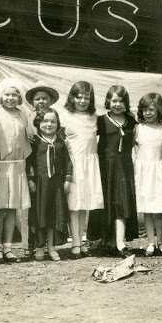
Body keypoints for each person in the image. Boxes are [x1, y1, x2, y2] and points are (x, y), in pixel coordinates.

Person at [88, 85, 138, 257]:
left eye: (121, 101)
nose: (117, 104)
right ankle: (104, 240)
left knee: (122, 203)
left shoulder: (132, 122)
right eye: (114, 100)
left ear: (126, 103)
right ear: (108, 101)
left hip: (124, 168)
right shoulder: (101, 120)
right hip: (105, 166)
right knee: (106, 203)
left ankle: (120, 241)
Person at [0, 78, 32, 263]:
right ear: (1, 96)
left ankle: (8, 247)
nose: (11, 98)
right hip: (0, 165)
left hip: (18, 166)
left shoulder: (23, 115)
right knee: (0, 208)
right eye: (7, 94)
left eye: (14, 94)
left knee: (13, 208)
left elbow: (28, 140)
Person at [62, 81, 104, 259]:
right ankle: (75, 243)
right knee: (74, 205)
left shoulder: (94, 117)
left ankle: (82, 241)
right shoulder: (66, 116)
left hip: (90, 163)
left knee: (85, 204)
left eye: (87, 97)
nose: (83, 101)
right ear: (72, 97)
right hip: (74, 164)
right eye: (79, 97)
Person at [27, 107, 72, 261]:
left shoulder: (60, 142)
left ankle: (51, 247)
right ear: (38, 123)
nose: (49, 124)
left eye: (53, 121)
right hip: (40, 184)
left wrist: (67, 179)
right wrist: (30, 179)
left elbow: (67, 161)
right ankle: (39, 247)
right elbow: (29, 162)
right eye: (45, 121)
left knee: (53, 215)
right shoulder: (34, 142)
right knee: (40, 215)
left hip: (56, 184)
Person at [23, 83, 60, 257]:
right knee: (35, 211)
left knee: (50, 210)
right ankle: (34, 245)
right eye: (37, 99)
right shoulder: (26, 117)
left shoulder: (53, 116)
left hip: (51, 175)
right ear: (32, 101)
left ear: (51, 100)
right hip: (35, 172)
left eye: (45, 98)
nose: (41, 101)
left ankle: (50, 245)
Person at [134, 93, 162, 257]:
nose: (148, 113)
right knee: (147, 210)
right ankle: (150, 242)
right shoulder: (138, 129)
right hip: (143, 171)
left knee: (158, 209)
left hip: (158, 171)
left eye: (151, 109)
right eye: (144, 110)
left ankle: (161, 242)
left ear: (159, 110)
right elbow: (133, 149)